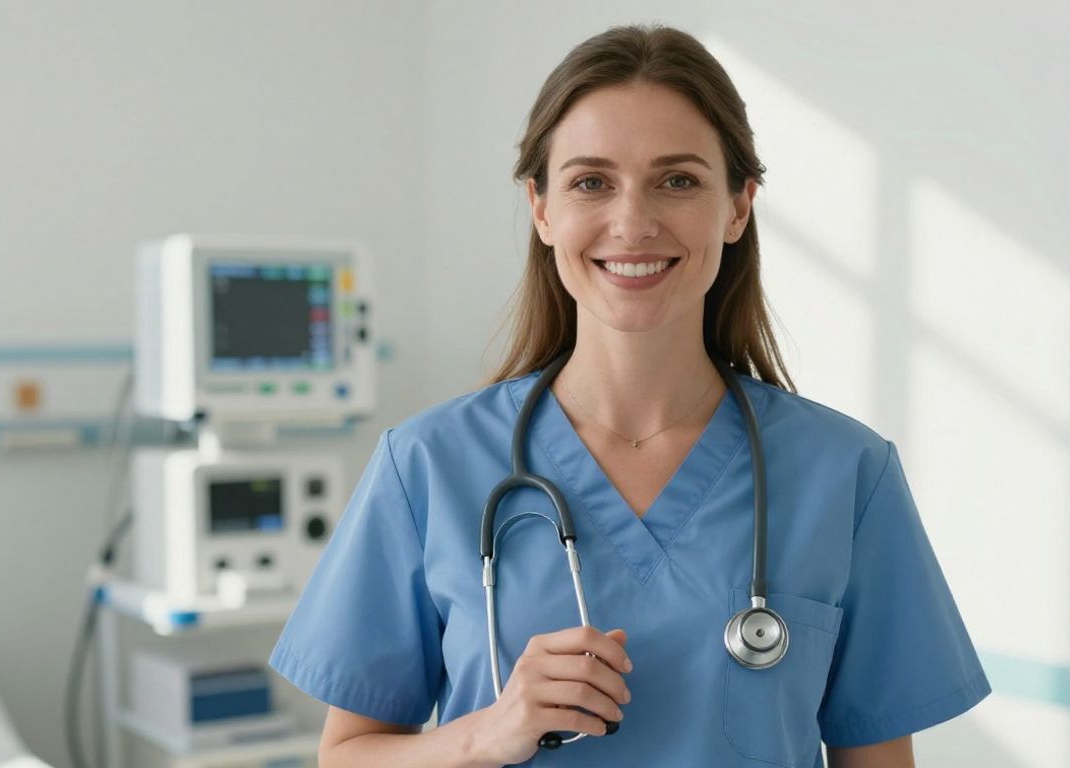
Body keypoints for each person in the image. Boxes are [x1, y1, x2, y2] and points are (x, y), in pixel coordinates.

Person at [270, 24, 990, 768]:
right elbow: (346, 756)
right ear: (542, 209)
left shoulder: (844, 474)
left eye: (678, 180)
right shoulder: (427, 465)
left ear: (738, 207)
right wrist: (491, 731)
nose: (633, 222)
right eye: (591, 182)